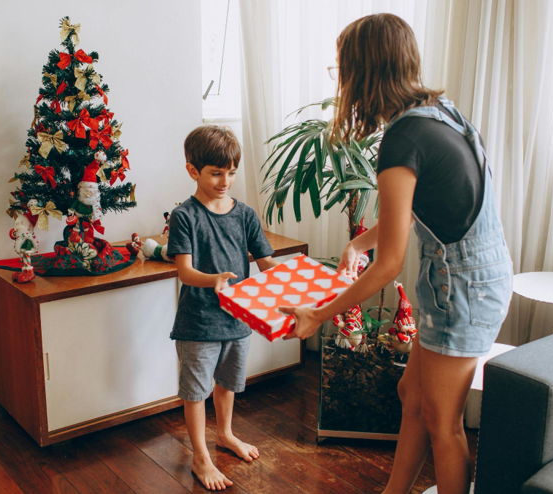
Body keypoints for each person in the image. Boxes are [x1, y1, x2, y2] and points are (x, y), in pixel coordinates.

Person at [280, 13, 513, 494]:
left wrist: (319, 314)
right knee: (411, 393)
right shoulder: (439, 113)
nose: (340, 80)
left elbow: (389, 265)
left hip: (462, 291)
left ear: (362, 71)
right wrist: (356, 242)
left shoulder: (403, 138)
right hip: (476, 277)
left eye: (341, 68)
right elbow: (415, 210)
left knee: (443, 422)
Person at [167, 125, 279, 491]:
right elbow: (184, 270)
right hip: (199, 322)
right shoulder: (185, 216)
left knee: (228, 384)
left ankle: (226, 435)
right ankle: (201, 456)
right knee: (196, 391)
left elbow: (267, 264)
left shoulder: (244, 214)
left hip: (237, 319)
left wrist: (303, 284)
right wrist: (213, 280)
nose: (225, 181)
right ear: (192, 170)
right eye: (216, 173)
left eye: (231, 172)